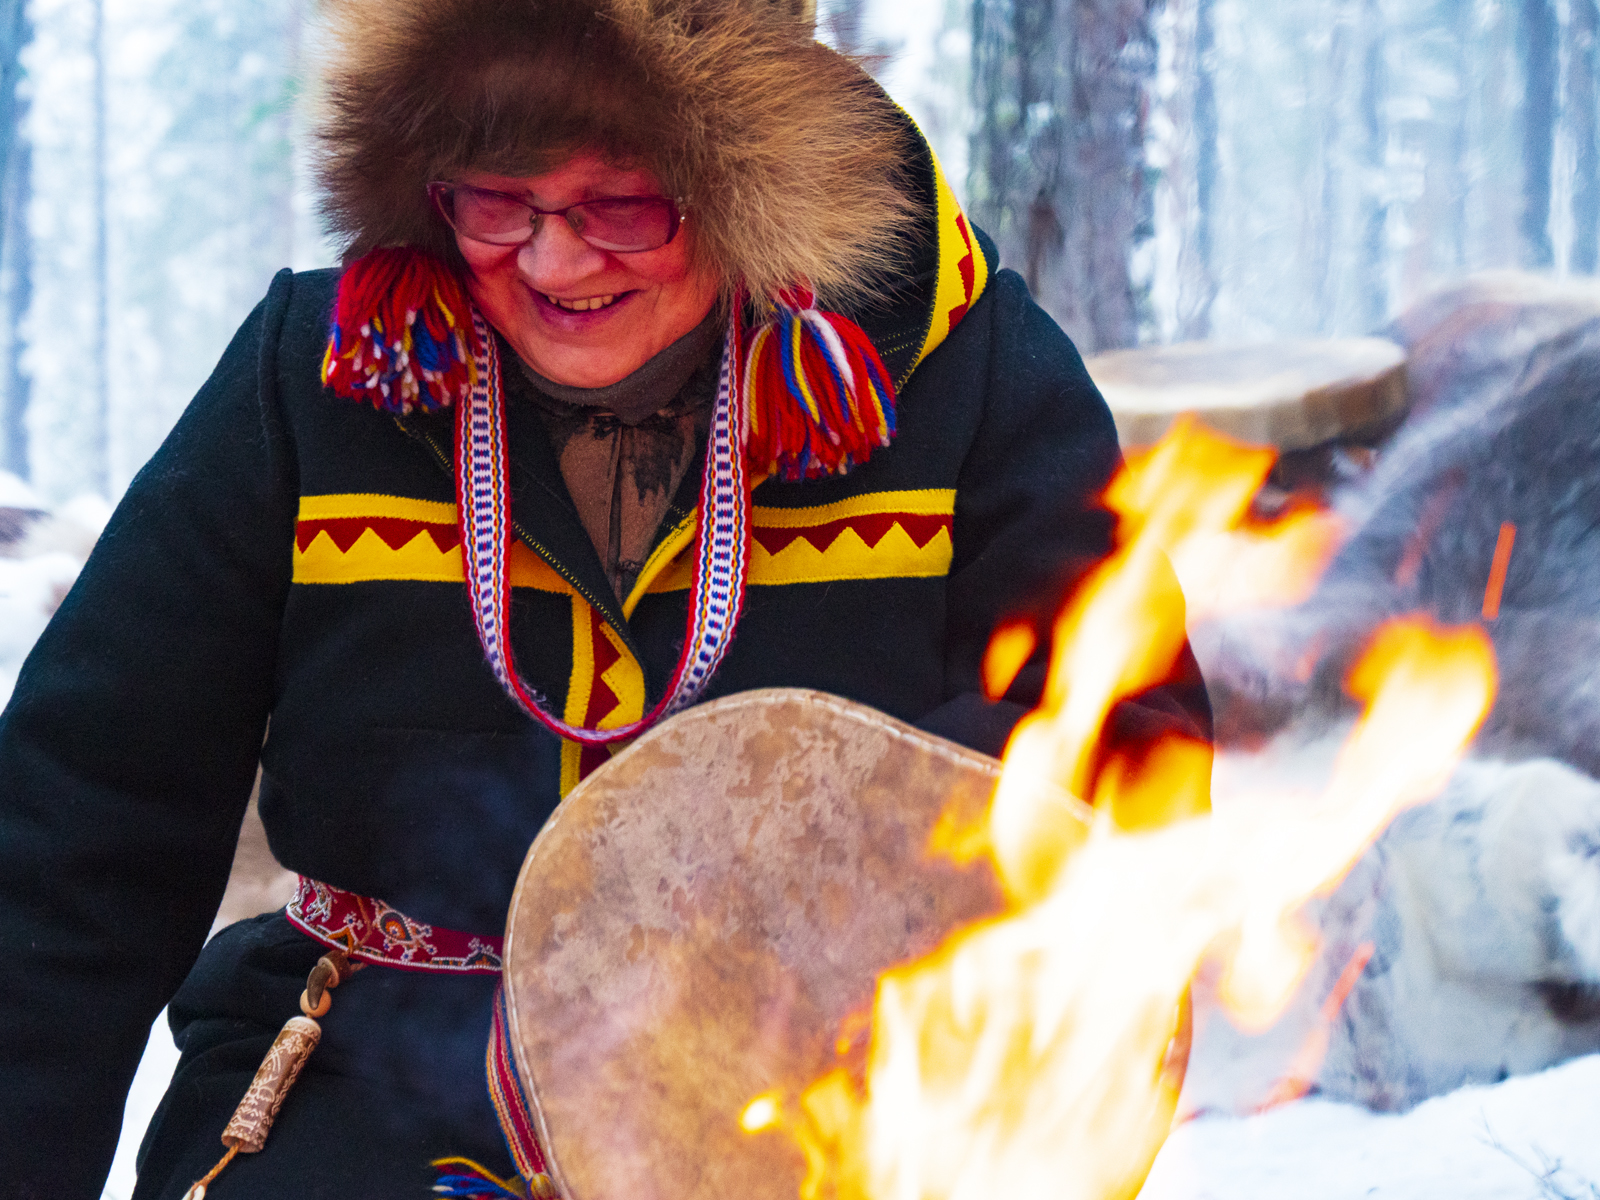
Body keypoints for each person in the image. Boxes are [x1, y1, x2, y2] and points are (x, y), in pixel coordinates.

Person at [0, 0, 1210, 1196]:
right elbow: (83, 827)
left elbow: (1120, 756)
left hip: (815, 1111)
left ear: (745, 186)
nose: (554, 260)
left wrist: (825, 879)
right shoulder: (316, 377)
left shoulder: (959, 371)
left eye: (620, 205)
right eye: (493, 199)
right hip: (359, 1096)